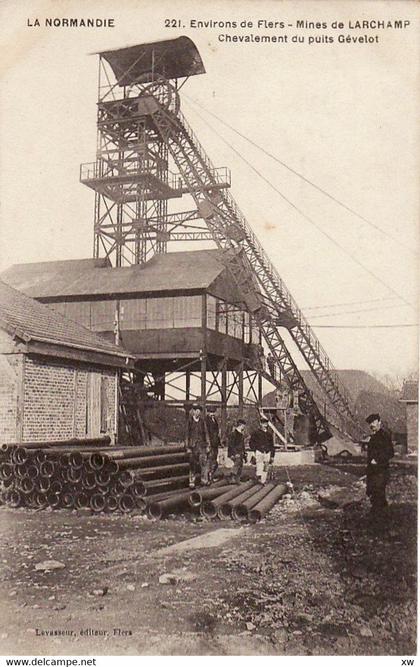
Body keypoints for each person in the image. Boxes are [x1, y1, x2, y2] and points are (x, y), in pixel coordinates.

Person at [365, 413, 394, 518]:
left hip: (380, 471)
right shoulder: (375, 436)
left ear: (379, 422)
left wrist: (377, 460)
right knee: (376, 493)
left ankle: (377, 519)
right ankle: (382, 518)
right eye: (370, 423)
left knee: (378, 494)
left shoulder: (383, 435)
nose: (371, 425)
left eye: (373, 422)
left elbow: (390, 452)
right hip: (374, 471)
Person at [186, 404, 210, 488]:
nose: (198, 413)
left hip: (201, 446)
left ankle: (204, 480)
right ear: (193, 412)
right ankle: (192, 481)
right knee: (192, 465)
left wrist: (207, 446)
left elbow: (206, 434)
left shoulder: (202, 422)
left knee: (203, 463)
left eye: (199, 411)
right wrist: (188, 447)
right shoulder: (189, 422)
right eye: (196, 411)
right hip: (193, 447)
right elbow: (187, 435)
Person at [250, 416, 275, 484]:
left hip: (267, 452)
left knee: (266, 466)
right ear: (260, 424)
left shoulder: (269, 434)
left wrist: (272, 455)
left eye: (266, 424)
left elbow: (272, 445)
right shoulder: (256, 433)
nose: (264, 425)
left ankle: (263, 480)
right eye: (263, 423)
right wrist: (254, 451)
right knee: (259, 465)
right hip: (259, 451)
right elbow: (251, 443)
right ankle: (259, 478)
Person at [227, 419, 247, 484]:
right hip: (234, 453)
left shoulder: (241, 434)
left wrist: (244, 453)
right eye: (244, 426)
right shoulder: (234, 434)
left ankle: (237, 479)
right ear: (241, 425)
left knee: (240, 465)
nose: (244, 427)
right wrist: (235, 453)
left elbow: (242, 445)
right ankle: (232, 476)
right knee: (237, 462)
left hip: (240, 452)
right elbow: (231, 445)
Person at [206, 406, 221, 482]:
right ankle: (209, 477)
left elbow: (217, 432)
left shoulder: (215, 420)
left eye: (213, 412)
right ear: (208, 412)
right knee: (210, 460)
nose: (212, 414)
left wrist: (219, 442)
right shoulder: (206, 421)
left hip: (215, 444)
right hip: (210, 444)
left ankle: (211, 476)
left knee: (214, 461)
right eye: (210, 412)